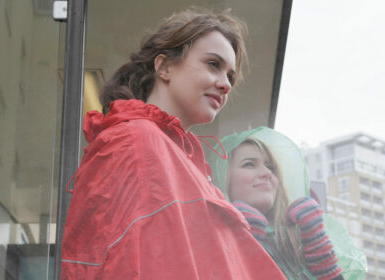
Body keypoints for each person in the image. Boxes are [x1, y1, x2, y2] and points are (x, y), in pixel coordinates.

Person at [61, 8, 286, 279]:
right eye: (213, 64)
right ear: (165, 66)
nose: (226, 84)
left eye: (230, 76)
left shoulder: (176, 158)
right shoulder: (137, 141)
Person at [207, 126, 367, 280]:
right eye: (249, 164)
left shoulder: (300, 237)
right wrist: (247, 242)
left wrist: (324, 263)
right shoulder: (207, 237)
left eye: (270, 166)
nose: (266, 173)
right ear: (222, 177)